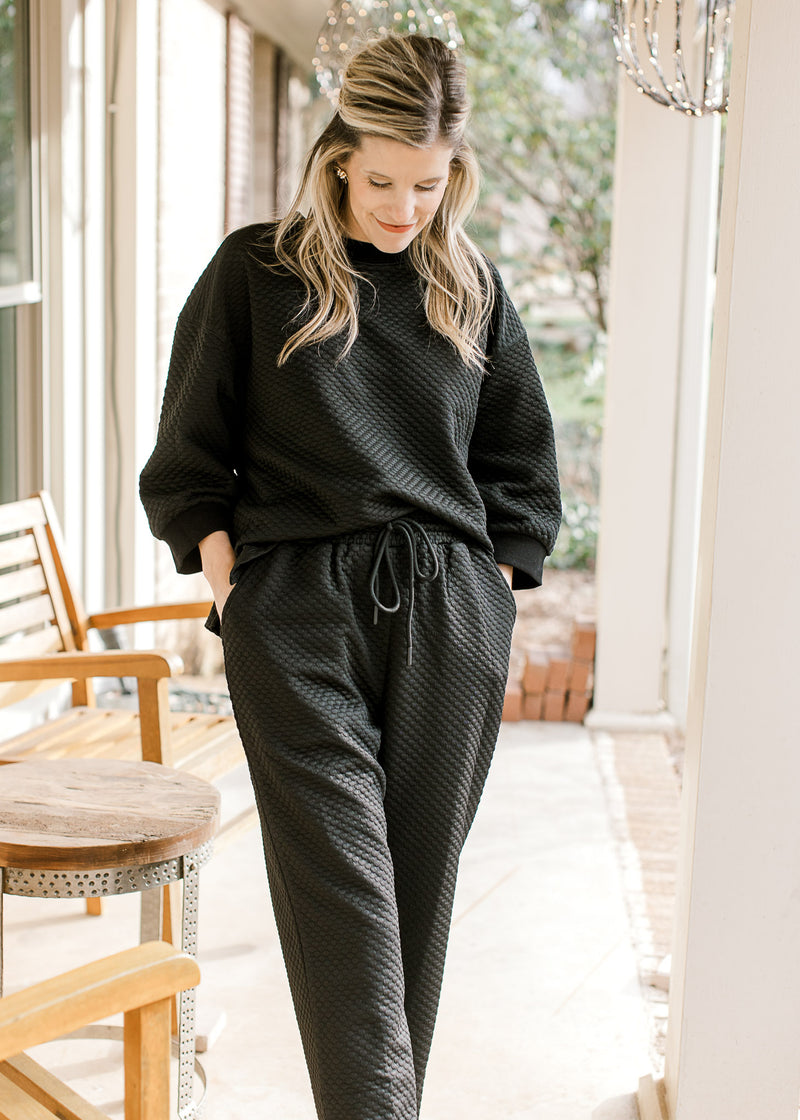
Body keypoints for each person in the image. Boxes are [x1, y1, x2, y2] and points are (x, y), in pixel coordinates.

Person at [140, 32, 561, 1120]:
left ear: (452, 172)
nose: (401, 206)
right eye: (380, 180)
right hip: (296, 613)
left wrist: (491, 594)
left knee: (412, 902)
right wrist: (233, 592)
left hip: (446, 616)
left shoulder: (467, 287)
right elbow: (190, 456)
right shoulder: (257, 272)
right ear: (336, 159)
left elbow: (520, 461)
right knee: (344, 899)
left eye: (427, 184)